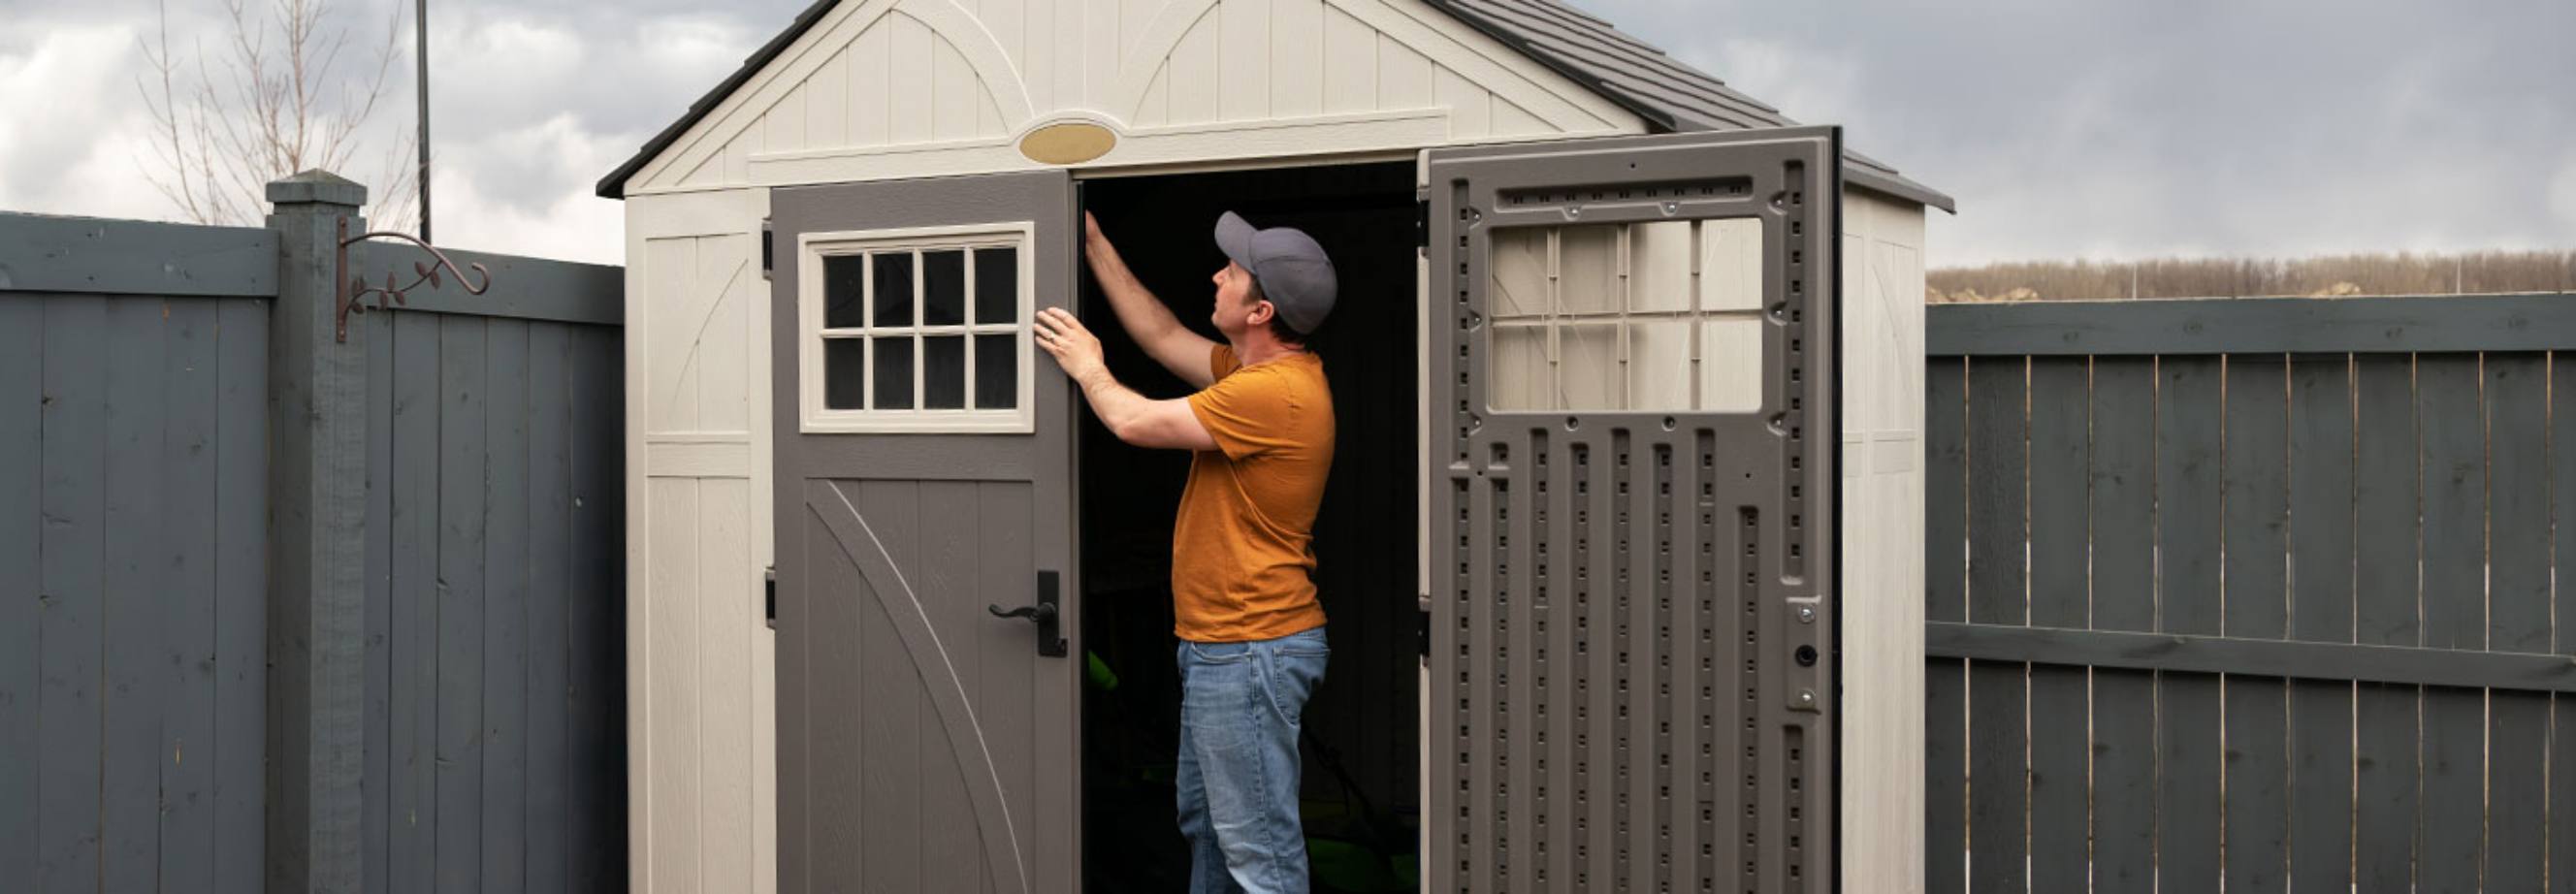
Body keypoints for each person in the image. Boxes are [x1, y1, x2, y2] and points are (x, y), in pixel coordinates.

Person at [1034, 209, 1338, 894]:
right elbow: (1162, 334)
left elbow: (1133, 420)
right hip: (1223, 646)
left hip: (1250, 646)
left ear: (1260, 309)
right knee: (1210, 830)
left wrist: (1089, 366)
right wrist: (1094, 244)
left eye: (1231, 271)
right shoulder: (1255, 369)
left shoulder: (1273, 394)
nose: (1217, 273)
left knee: (1260, 855)